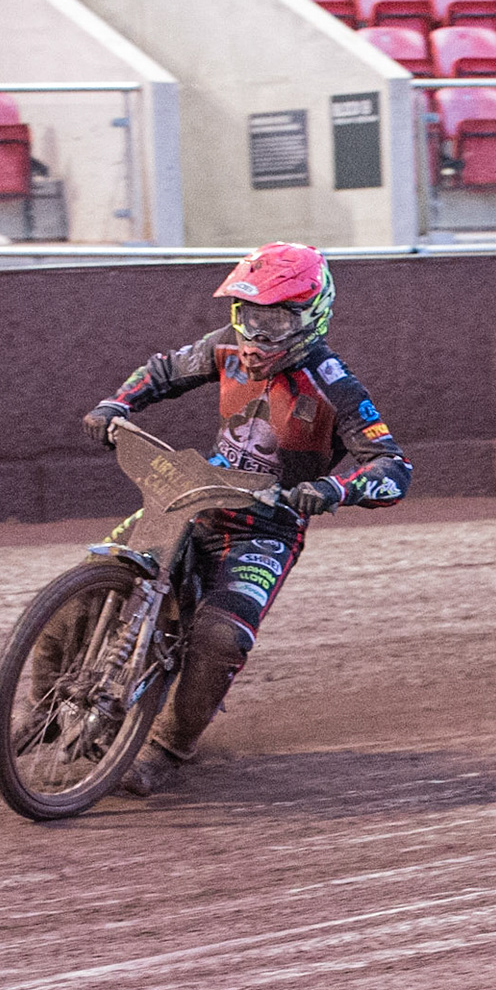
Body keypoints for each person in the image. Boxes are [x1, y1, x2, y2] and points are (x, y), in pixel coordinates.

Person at [80, 243, 412, 797]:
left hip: (267, 523)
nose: (258, 336)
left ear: (311, 317)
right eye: (250, 317)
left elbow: (392, 466)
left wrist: (332, 488)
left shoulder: (335, 384)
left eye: (276, 321)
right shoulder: (225, 348)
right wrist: (117, 405)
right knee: (87, 585)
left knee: (219, 637)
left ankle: (167, 749)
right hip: (194, 495)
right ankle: (39, 707)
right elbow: (165, 370)